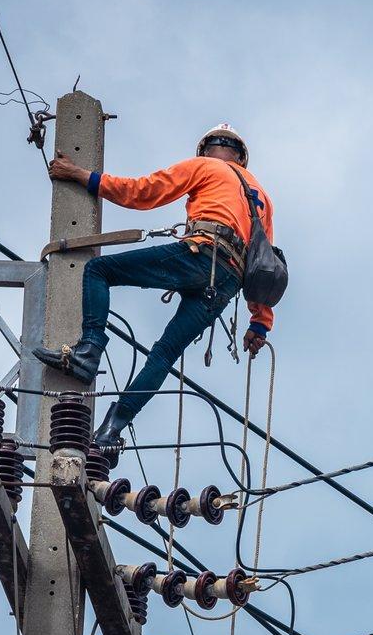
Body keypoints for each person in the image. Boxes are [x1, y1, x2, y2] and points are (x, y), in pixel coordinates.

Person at [37, 123, 277, 446]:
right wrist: (259, 324)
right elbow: (265, 263)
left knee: (99, 270)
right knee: (164, 355)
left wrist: (83, 176)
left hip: (201, 254)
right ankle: (112, 429)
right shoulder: (261, 197)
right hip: (227, 282)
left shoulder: (205, 167)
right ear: (241, 158)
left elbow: (144, 191)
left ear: (207, 150)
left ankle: (88, 351)